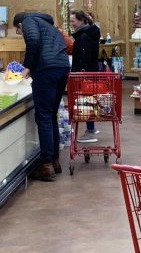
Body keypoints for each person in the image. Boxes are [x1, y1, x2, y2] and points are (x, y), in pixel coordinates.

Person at [14, 11, 70, 181]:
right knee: (51, 115)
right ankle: (54, 160)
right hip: (62, 67)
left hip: (46, 70)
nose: (20, 33)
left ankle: (45, 164)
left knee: (44, 116)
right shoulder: (48, 25)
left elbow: (33, 41)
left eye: (18, 31)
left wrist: (28, 66)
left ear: (20, 25)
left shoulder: (29, 21)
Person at [69, 9, 101, 143]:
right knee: (90, 101)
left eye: (73, 21)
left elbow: (84, 58)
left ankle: (90, 132)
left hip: (85, 74)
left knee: (86, 102)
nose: (71, 24)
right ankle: (91, 128)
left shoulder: (83, 37)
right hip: (91, 72)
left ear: (82, 21)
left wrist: (76, 71)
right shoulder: (90, 33)